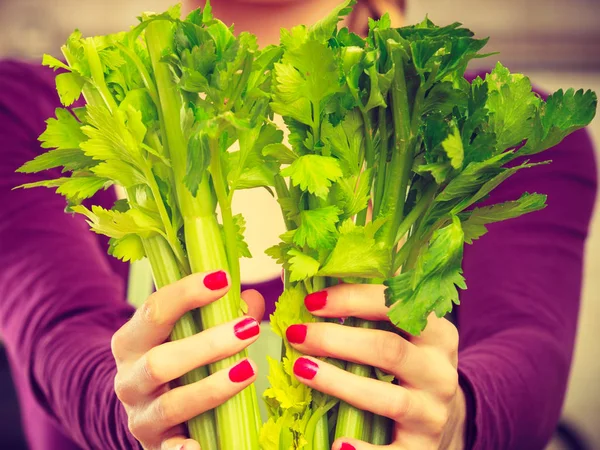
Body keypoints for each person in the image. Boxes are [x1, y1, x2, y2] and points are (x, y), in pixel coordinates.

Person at [0, 0, 596, 449]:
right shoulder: (36, 104)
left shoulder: (488, 122)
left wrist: (455, 420)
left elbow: (528, 348)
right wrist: (137, 414)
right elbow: (57, 331)